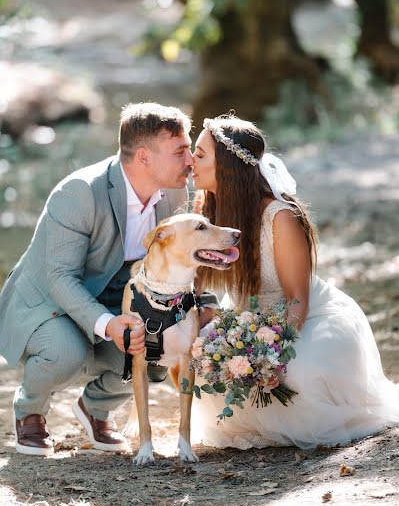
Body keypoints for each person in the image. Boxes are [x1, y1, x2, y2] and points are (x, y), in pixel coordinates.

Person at [190, 114, 399, 450]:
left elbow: (297, 298)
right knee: (204, 363)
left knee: (298, 376)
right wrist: (209, 323)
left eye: (200, 154)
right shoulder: (209, 210)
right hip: (249, 319)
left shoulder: (280, 218)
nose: (191, 161)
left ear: (227, 165)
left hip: (306, 318)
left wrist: (271, 355)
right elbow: (197, 284)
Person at [0, 102, 195, 456]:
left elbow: (181, 261)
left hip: (120, 300)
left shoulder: (177, 192)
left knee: (157, 347)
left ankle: (95, 407)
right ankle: (29, 409)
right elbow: (60, 278)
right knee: (65, 353)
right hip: (50, 303)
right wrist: (109, 325)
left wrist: (200, 310)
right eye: (180, 151)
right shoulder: (79, 193)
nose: (190, 160)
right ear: (144, 157)